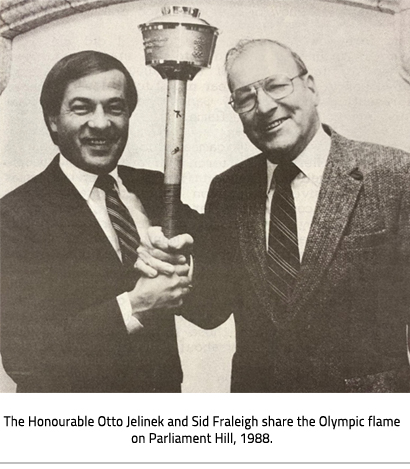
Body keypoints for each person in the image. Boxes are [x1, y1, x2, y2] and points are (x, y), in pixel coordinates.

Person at [140, 39, 410, 392]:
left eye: (276, 85)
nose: (264, 106)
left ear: (310, 87)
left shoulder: (395, 175)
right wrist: (177, 270)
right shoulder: (229, 189)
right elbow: (212, 309)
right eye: (245, 97)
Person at [0, 50, 198, 393]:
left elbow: (213, 307)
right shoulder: (14, 216)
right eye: (82, 107)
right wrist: (136, 304)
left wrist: (185, 266)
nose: (102, 122)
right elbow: (24, 357)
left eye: (115, 107)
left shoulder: (155, 189)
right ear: (52, 120)